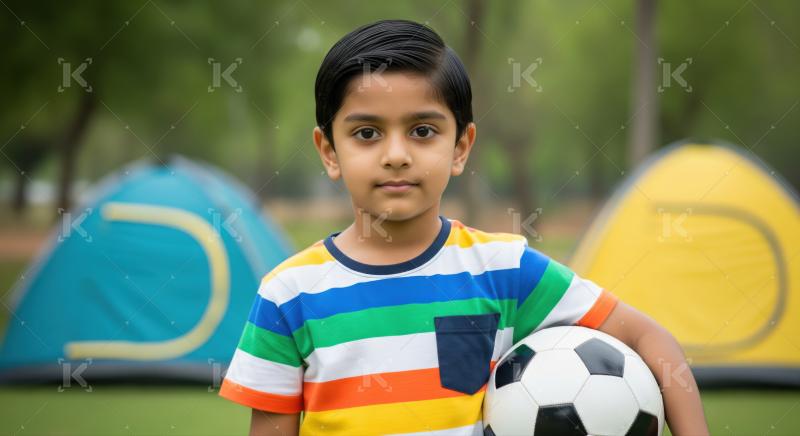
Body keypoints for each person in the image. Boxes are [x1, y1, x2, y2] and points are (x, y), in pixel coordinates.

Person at [219, 19, 709, 436]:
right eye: (366, 133)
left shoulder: (505, 271)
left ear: (460, 147)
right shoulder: (286, 295)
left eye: (423, 131)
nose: (396, 155)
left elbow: (652, 340)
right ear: (329, 151)